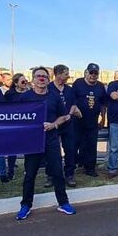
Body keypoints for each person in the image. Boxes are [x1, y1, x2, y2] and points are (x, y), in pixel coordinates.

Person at [15, 67, 77, 219]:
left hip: (51, 140)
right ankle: (26, 205)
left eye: (44, 76)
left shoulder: (54, 97)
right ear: (33, 79)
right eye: (38, 76)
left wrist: (54, 125)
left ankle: (63, 203)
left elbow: (64, 116)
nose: (41, 79)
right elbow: (17, 117)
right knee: (30, 174)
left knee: (57, 172)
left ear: (48, 80)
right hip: (32, 142)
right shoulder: (25, 97)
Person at [73, 63, 107, 178]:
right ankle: (74, 166)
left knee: (92, 146)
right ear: (86, 72)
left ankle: (90, 168)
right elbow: (71, 100)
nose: (93, 75)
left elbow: (103, 104)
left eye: (95, 73)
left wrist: (103, 118)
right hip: (77, 121)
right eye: (91, 72)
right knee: (75, 145)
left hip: (93, 121)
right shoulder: (78, 83)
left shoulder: (101, 86)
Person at [49, 64, 81, 187]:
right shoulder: (48, 88)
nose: (68, 76)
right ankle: (51, 175)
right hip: (54, 125)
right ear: (58, 74)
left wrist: (70, 114)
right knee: (53, 151)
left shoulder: (69, 89)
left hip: (68, 124)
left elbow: (73, 104)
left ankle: (70, 174)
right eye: (66, 74)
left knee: (70, 150)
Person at [1, 73, 29, 180]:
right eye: (22, 81)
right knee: (12, 149)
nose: (25, 83)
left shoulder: (30, 93)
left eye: (26, 81)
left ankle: (28, 169)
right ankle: (11, 170)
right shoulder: (9, 94)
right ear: (16, 83)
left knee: (27, 149)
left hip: (26, 125)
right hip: (13, 125)